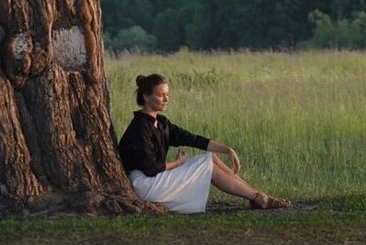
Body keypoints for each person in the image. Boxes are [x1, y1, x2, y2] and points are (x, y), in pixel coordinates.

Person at [117, 72, 290, 213]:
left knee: (211, 158)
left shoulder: (162, 123)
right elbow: (150, 168)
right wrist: (178, 163)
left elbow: (192, 139)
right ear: (146, 97)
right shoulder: (139, 128)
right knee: (207, 163)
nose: (166, 99)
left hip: (156, 177)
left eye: (167, 95)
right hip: (145, 183)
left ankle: (258, 196)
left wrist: (227, 150)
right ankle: (259, 198)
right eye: (161, 95)